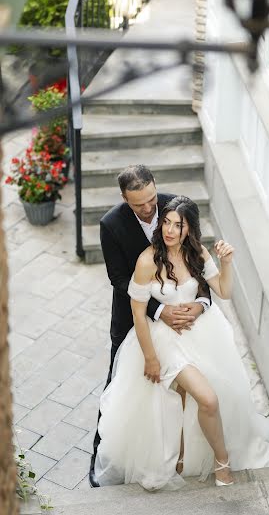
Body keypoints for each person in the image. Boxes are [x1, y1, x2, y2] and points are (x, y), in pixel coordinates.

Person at [94, 196, 269, 490]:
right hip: (164, 342)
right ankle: (222, 462)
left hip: (202, 336)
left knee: (190, 400)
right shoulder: (147, 260)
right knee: (208, 398)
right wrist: (151, 358)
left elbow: (223, 291)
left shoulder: (197, 253)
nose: (170, 230)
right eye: (166, 222)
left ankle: (183, 459)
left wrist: (226, 263)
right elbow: (138, 314)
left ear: (189, 229)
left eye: (179, 225)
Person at [89, 167, 211, 487]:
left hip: (179, 318)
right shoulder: (111, 225)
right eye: (139, 204)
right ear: (124, 199)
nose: (149, 209)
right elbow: (118, 279)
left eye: (152, 199)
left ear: (157, 187)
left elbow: (197, 262)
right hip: (131, 319)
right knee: (119, 386)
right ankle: (105, 455)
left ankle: (184, 452)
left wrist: (200, 304)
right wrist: (160, 311)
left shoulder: (176, 207)